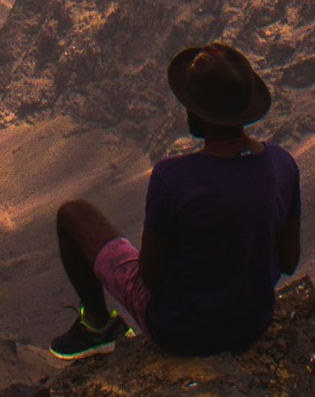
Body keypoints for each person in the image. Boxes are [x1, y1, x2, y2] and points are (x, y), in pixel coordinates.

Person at [50, 41, 300, 360]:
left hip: (181, 332)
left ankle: (98, 327)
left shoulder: (174, 178)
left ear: (198, 112)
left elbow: (150, 276)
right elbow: (289, 260)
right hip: (252, 324)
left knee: (73, 214)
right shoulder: (282, 164)